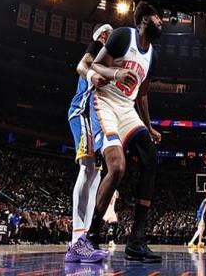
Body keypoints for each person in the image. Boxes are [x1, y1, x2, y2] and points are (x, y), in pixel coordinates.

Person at [86, 1, 163, 263]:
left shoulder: (152, 55)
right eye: (158, 17)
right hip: (105, 101)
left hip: (127, 109)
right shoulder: (122, 36)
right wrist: (116, 72)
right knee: (118, 167)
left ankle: (137, 240)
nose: (161, 22)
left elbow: (142, 94)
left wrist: (148, 126)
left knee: (150, 157)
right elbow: (96, 65)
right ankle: (90, 237)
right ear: (144, 19)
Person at [65, 24, 113, 263]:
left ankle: (83, 241)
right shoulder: (97, 47)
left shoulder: (110, 60)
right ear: (103, 35)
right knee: (87, 169)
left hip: (97, 119)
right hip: (82, 111)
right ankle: (76, 240)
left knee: (96, 177)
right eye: (111, 33)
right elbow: (82, 64)